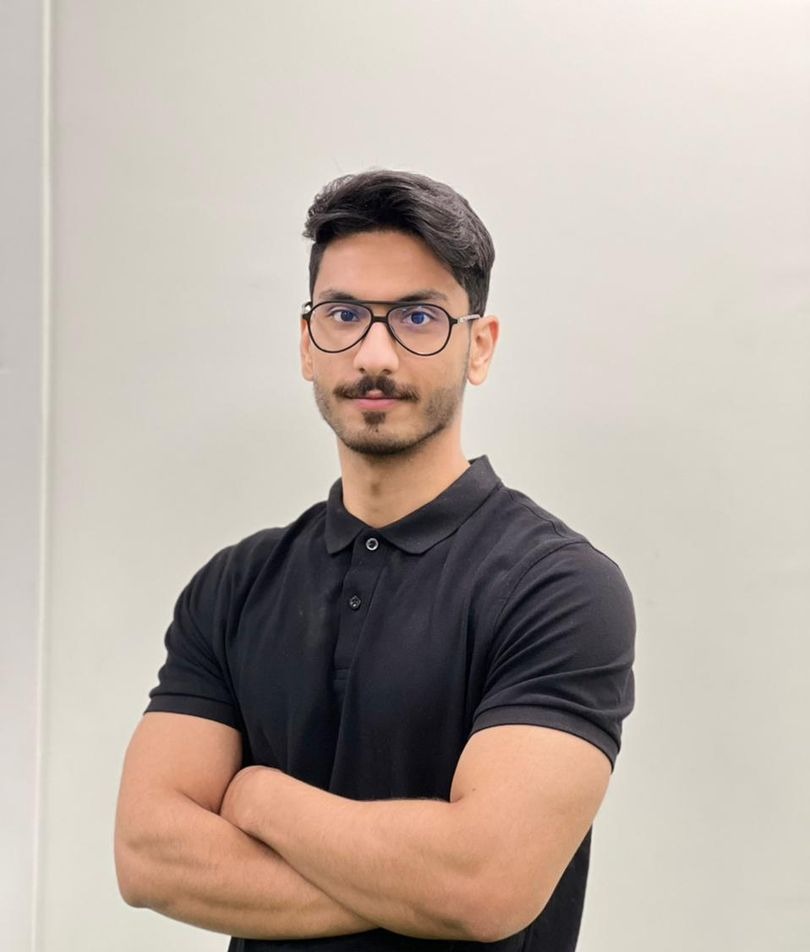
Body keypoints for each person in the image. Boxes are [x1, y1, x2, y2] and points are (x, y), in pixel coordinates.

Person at [114, 169, 636, 951]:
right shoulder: (234, 586)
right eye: (345, 314)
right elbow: (148, 857)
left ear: (479, 346)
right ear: (307, 343)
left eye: (419, 317)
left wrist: (259, 799)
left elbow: (486, 885)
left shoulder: (558, 589)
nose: (375, 353)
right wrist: (417, 883)